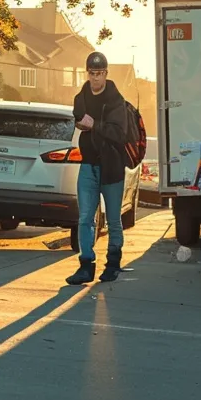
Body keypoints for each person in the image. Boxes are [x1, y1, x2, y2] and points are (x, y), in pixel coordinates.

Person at [67, 51, 131, 285]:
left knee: (114, 219)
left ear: (106, 73)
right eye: (92, 73)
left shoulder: (116, 101)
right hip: (88, 165)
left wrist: (95, 124)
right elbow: (76, 117)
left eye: (100, 73)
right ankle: (86, 265)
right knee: (85, 218)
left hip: (112, 167)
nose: (95, 78)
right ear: (88, 73)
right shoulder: (81, 97)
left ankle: (113, 263)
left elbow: (119, 134)